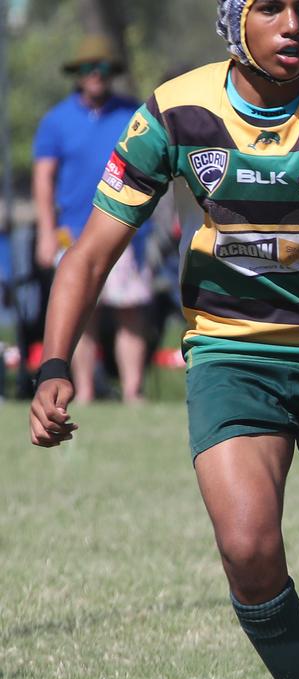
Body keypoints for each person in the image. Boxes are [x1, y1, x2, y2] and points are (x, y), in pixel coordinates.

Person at [28, 0, 299, 679]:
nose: (292, 25)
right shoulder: (174, 113)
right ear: (232, 21)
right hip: (232, 353)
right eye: (270, 7)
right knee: (247, 548)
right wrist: (54, 365)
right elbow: (91, 254)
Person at [32, 35, 155, 403]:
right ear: (78, 75)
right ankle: (83, 390)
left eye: (102, 68)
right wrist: (45, 232)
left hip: (126, 229)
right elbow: (43, 177)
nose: (96, 75)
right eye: (89, 69)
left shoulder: (132, 113)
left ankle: (133, 391)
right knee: (81, 311)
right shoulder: (56, 120)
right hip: (74, 231)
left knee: (131, 310)